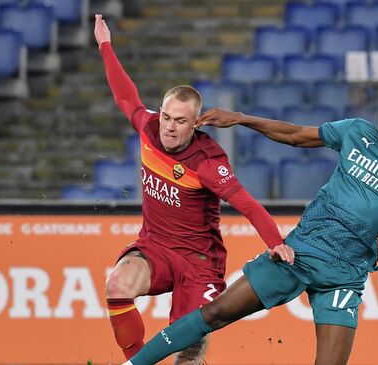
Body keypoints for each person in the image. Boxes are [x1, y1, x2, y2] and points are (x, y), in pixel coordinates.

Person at [121, 82, 378, 365]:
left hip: (346, 273)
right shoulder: (356, 132)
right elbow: (297, 136)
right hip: (299, 252)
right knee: (214, 313)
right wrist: (243, 119)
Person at [93, 14, 294, 365]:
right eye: (167, 117)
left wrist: (275, 242)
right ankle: (137, 360)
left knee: (187, 355)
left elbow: (247, 204)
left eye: (180, 121)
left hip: (199, 263)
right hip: (154, 246)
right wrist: (105, 45)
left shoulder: (207, 161)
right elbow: (126, 96)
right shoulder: (149, 128)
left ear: (196, 122)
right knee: (116, 286)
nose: (169, 128)